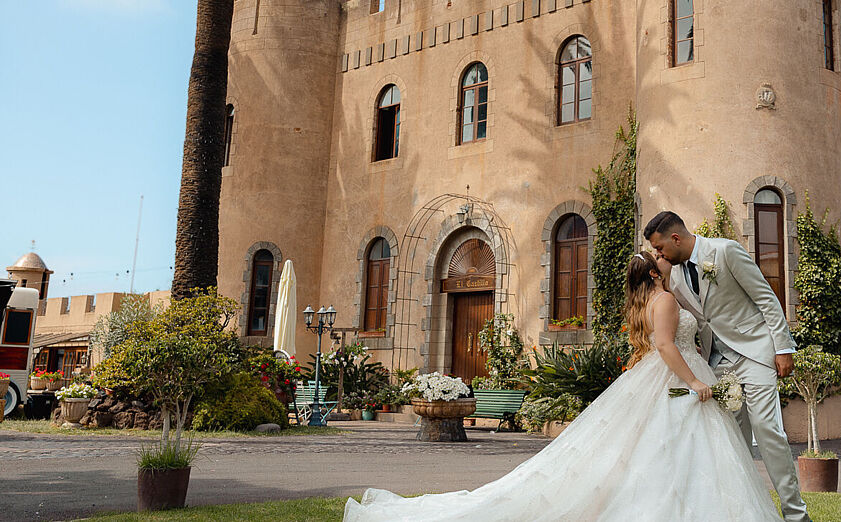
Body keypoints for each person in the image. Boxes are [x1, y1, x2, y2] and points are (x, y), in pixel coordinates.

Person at [342, 251, 783, 521]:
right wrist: (694, 383)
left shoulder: (656, 298)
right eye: (662, 260)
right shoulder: (665, 298)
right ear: (653, 273)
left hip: (668, 380)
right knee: (675, 451)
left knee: (665, 451)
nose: (668, 260)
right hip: (678, 379)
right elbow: (667, 345)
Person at [644, 210, 811, 522]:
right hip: (717, 363)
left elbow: (766, 298)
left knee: (767, 429)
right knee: (732, 439)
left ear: (676, 238)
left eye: (660, 248)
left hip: (755, 352)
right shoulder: (676, 277)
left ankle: (796, 515)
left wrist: (783, 347)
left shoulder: (725, 251)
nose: (658, 254)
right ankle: (744, 513)